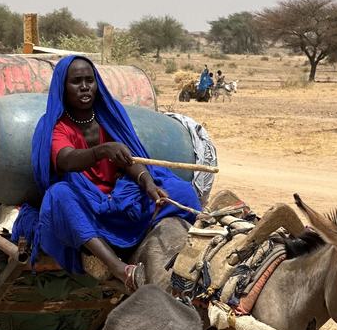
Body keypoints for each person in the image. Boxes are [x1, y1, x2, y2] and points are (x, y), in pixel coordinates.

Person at [12, 55, 201, 290]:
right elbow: (66, 160)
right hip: (87, 202)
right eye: (76, 81)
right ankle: (119, 268)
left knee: (181, 191)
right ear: (63, 87)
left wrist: (146, 181)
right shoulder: (55, 125)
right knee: (58, 196)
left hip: (119, 196)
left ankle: (149, 240)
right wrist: (102, 151)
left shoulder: (109, 116)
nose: (84, 87)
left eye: (89, 80)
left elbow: (128, 159)